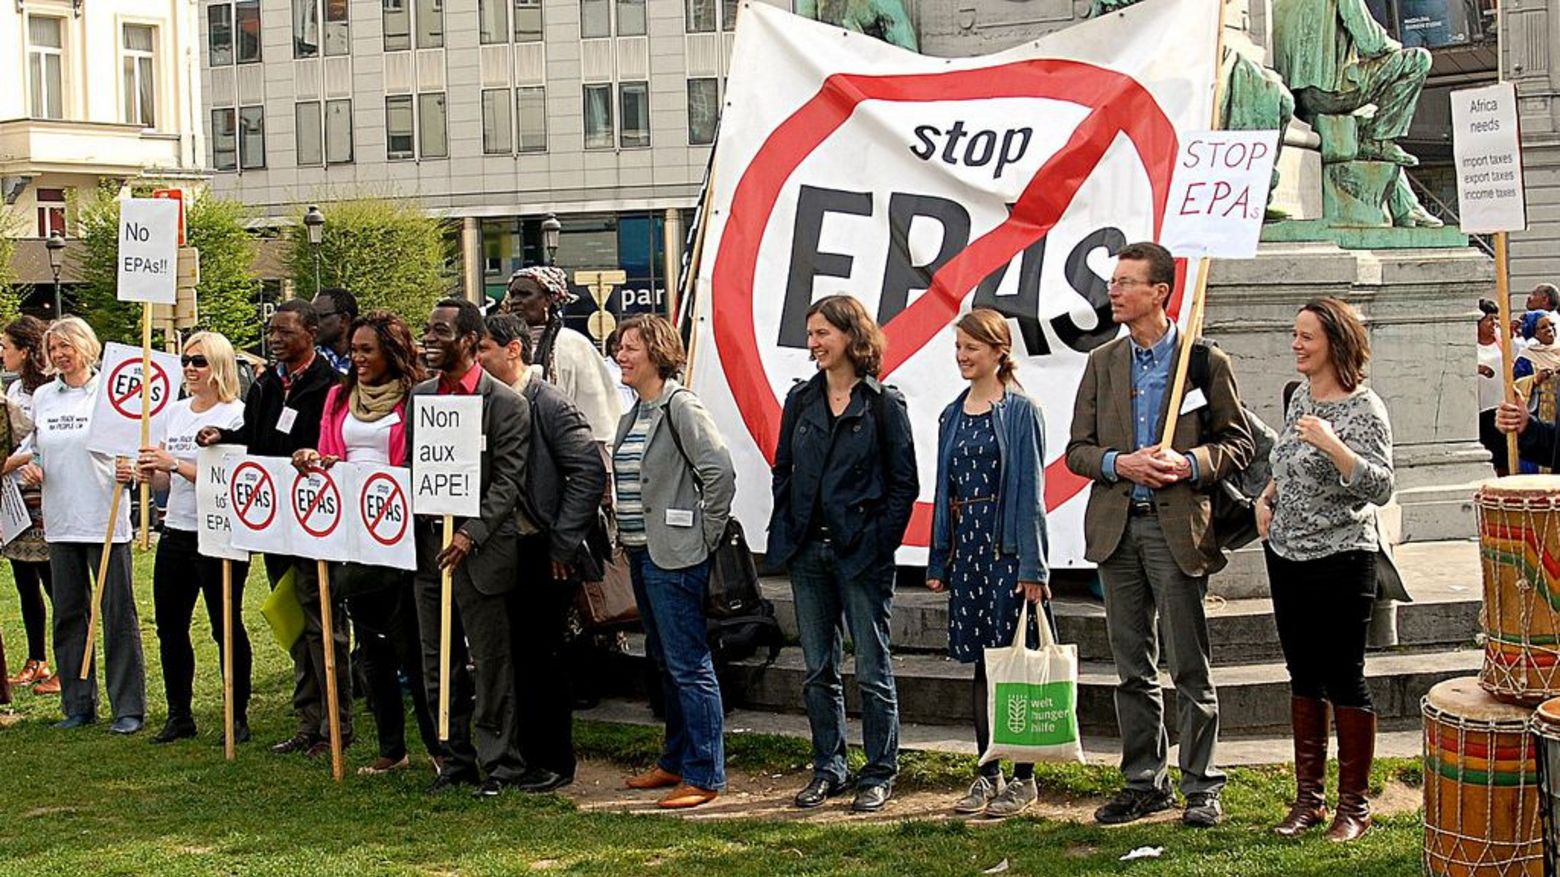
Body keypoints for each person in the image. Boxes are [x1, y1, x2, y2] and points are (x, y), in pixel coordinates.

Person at [1064, 241, 1253, 828]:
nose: (1112, 291)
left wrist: (1189, 464)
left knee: (1189, 666)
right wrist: (1122, 463)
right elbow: (1077, 452)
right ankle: (1144, 781)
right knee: (1131, 667)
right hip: (1117, 532)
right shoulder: (1103, 363)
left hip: (1176, 533)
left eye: (1125, 282)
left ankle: (1202, 785)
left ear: (1160, 293)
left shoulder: (1202, 362)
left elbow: (1239, 444)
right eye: (1114, 282)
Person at [767, 294, 918, 814]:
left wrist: (877, 543)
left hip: (862, 557)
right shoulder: (801, 401)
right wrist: (790, 523)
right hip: (808, 553)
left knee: (872, 670)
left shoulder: (883, 404)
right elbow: (782, 468)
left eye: (822, 333)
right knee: (817, 670)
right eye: (810, 334)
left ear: (852, 337)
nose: (813, 344)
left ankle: (879, 771)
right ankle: (828, 767)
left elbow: (904, 485)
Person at [1256, 297, 1394, 842]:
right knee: (1302, 674)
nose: (1295, 344)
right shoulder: (1299, 400)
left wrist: (1336, 447)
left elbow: (1381, 486)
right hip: (1287, 553)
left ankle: (1354, 807)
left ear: (1335, 342)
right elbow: (1284, 461)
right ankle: (1307, 800)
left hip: (1343, 556)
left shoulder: (1366, 408)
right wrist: (1264, 499)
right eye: (1294, 335)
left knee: (1344, 675)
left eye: (1306, 336)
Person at [292, 310, 441, 776]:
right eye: (353, 350)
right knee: (371, 649)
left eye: (366, 350)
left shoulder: (417, 400)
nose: (356, 358)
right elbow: (327, 447)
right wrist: (313, 459)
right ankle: (391, 747)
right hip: (354, 538)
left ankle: (439, 747)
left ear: (391, 353)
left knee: (411, 649)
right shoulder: (339, 398)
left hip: (403, 536)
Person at [198, 300, 345, 757]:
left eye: (285, 331)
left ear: (312, 333)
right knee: (294, 624)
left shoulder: (331, 386)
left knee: (324, 626)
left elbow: (333, 444)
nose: (275, 339)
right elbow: (255, 437)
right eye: (271, 331)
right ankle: (308, 720)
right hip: (273, 522)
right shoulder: (265, 384)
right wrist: (224, 438)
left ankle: (335, 725)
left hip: (317, 520)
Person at [925, 309, 1053, 819]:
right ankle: (986, 772)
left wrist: (1034, 567)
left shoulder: (1022, 412)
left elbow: (1032, 494)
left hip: (1008, 552)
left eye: (971, 347)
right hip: (969, 553)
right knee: (981, 664)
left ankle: (1024, 778)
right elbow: (943, 489)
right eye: (958, 346)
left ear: (999, 351)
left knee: (1013, 667)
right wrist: (940, 557)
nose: (962, 356)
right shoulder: (952, 414)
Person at [478, 313, 608, 792]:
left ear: (514, 349)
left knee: (543, 657)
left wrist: (563, 540)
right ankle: (529, 755)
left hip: (543, 549)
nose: (477, 360)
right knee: (523, 654)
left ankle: (554, 760)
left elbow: (588, 472)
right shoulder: (494, 401)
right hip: (511, 547)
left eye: (484, 349)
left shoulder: (547, 401)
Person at [612, 314, 735, 810]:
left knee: (688, 664)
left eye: (631, 348)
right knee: (664, 660)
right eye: (619, 347)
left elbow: (719, 472)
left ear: (657, 353)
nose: (621, 355)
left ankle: (705, 773)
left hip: (675, 557)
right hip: (642, 554)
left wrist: (703, 537)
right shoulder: (633, 412)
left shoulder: (680, 407)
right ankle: (676, 760)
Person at [410, 298, 530, 798]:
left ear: (467, 340)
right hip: (429, 554)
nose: (430, 340)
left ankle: (500, 764)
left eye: (441, 331)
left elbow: (508, 482)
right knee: (438, 659)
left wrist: (469, 533)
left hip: (481, 556)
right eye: (427, 331)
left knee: (490, 662)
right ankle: (454, 758)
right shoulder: (419, 397)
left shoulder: (505, 403)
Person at [19, 318, 145, 733]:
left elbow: (136, 445)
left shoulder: (110, 393)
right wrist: (32, 466)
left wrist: (130, 467)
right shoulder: (43, 397)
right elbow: (33, 446)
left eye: (65, 346)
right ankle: (77, 703)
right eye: (53, 348)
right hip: (60, 520)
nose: (59, 354)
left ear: (85, 347)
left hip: (104, 520)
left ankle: (127, 707)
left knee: (116, 614)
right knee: (69, 614)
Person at [134, 333, 253, 744]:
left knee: (226, 626)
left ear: (218, 366)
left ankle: (236, 715)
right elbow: (167, 480)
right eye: (185, 360)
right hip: (178, 529)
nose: (189, 368)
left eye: (198, 361)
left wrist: (177, 465)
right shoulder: (173, 413)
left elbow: (231, 479)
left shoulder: (237, 415)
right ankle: (179, 713)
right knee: (170, 625)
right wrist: (152, 473)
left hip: (220, 535)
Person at [501, 266, 622, 443]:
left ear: (548, 300)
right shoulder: (500, 346)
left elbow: (597, 411)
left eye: (524, 294)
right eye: (513, 295)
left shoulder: (573, 345)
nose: (516, 301)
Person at [2, 316, 57, 695]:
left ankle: (65, 661)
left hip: (44, 493)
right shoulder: (15, 388)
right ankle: (36, 659)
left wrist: (14, 462)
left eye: (6, 347)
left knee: (56, 583)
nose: (2, 354)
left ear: (25, 350)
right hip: (14, 498)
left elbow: (40, 442)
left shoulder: (49, 391)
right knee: (24, 581)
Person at [1477, 300, 1507, 475]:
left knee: (1504, 456)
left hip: (1501, 407)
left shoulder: (1503, 345)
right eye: (1489, 319)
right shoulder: (1472, 347)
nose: (1493, 324)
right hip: (1482, 409)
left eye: (1496, 319)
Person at [312, 287, 359, 374]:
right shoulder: (309, 359)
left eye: (320, 317)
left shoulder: (367, 359)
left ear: (343, 319)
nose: (313, 324)